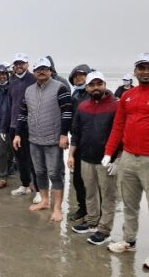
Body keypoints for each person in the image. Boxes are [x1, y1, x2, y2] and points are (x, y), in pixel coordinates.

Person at [104, 52, 149, 271]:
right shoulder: (127, 96)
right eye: (141, 68)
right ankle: (129, 241)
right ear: (135, 71)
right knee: (129, 203)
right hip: (128, 157)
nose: (145, 72)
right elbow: (118, 125)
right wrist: (109, 152)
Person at [12, 57, 72, 222]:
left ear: (50, 70)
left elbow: (67, 113)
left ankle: (57, 208)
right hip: (34, 139)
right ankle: (45, 201)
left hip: (53, 140)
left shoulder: (60, 88)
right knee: (39, 172)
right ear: (34, 72)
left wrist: (63, 135)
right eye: (38, 69)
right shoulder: (29, 90)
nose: (41, 72)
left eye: (45, 69)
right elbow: (23, 114)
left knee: (54, 174)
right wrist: (17, 134)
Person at [68, 71, 119, 245]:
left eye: (99, 84)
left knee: (108, 195)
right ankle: (91, 222)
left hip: (107, 160)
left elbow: (121, 134)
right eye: (92, 85)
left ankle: (104, 230)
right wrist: (71, 155)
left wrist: (117, 159)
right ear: (87, 87)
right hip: (85, 157)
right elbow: (75, 133)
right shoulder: (82, 106)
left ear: (104, 84)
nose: (96, 87)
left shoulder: (116, 105)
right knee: (89, 192)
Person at [2, 53, 40, 203]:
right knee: (20, 159)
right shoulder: (12, 82)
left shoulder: (34, 79)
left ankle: (39, 189)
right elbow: (9, 105)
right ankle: (25, 185)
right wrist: (4, 127)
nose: (19, 66)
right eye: (16, 64)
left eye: (21, 63)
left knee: (33, 159)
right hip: (13, 125)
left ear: (27, 64)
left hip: (29, 126)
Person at [67, 64, 92, 221]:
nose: (78, 78)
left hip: (95, 143)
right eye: (75, 77)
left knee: (93, 181)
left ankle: (95, 213)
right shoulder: (74, 96)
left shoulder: (97, 93)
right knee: (77, 179)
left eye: (81, 75)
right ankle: (82, 208)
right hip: (77, 142)